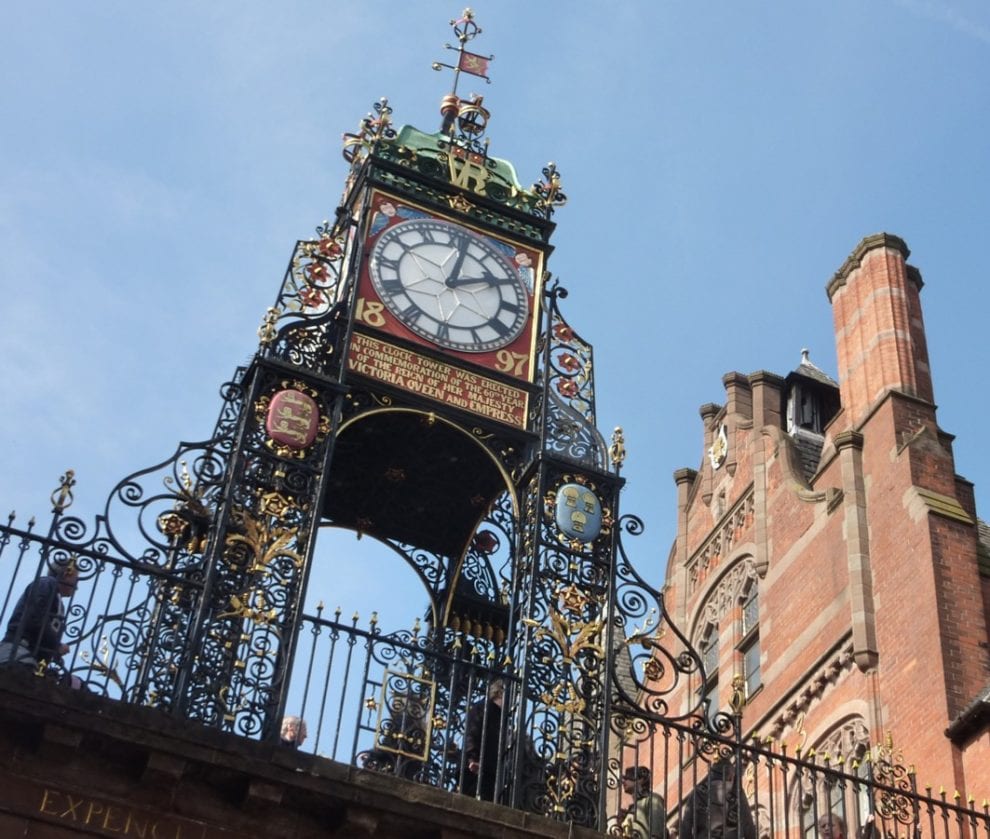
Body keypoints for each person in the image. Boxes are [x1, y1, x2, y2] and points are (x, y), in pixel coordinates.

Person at [0, 559, 78, 668]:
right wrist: (56, 646)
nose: (77, 586)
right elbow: (35, 617)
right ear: (67, 574)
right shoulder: (47, 583)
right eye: (76, 579)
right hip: (18, 652)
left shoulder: (56, 598)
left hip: (27, 656)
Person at [678, 759, 756, 839]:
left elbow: (686, 826)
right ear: (730, 776)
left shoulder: (698, 792)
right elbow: (748, 824)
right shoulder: (736, 792)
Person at [462, 679, 505, 801]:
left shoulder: (500, 715)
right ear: (500, 693)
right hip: (476, 769)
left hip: (490, 771)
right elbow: (473, 732)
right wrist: (472, 758)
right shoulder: (483, 708)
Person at [621, 765, 667, 839]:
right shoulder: (632, 809)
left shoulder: (653, 799)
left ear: (641, 779)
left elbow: (657, 830)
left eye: (627, 778)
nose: (623, 781)